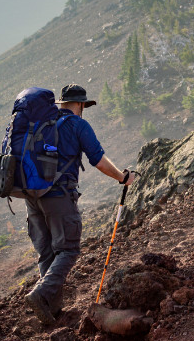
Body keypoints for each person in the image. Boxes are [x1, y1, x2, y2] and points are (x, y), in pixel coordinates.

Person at [24, 84, 136, 325]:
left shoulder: (42, 124)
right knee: (68, 250)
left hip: (31, 196)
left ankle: (51, 312)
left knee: (48, 253)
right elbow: (98, 160)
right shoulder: (78, 125)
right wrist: (123, 177)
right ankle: (41, 294)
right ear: (81, 104)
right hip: (59, 195)